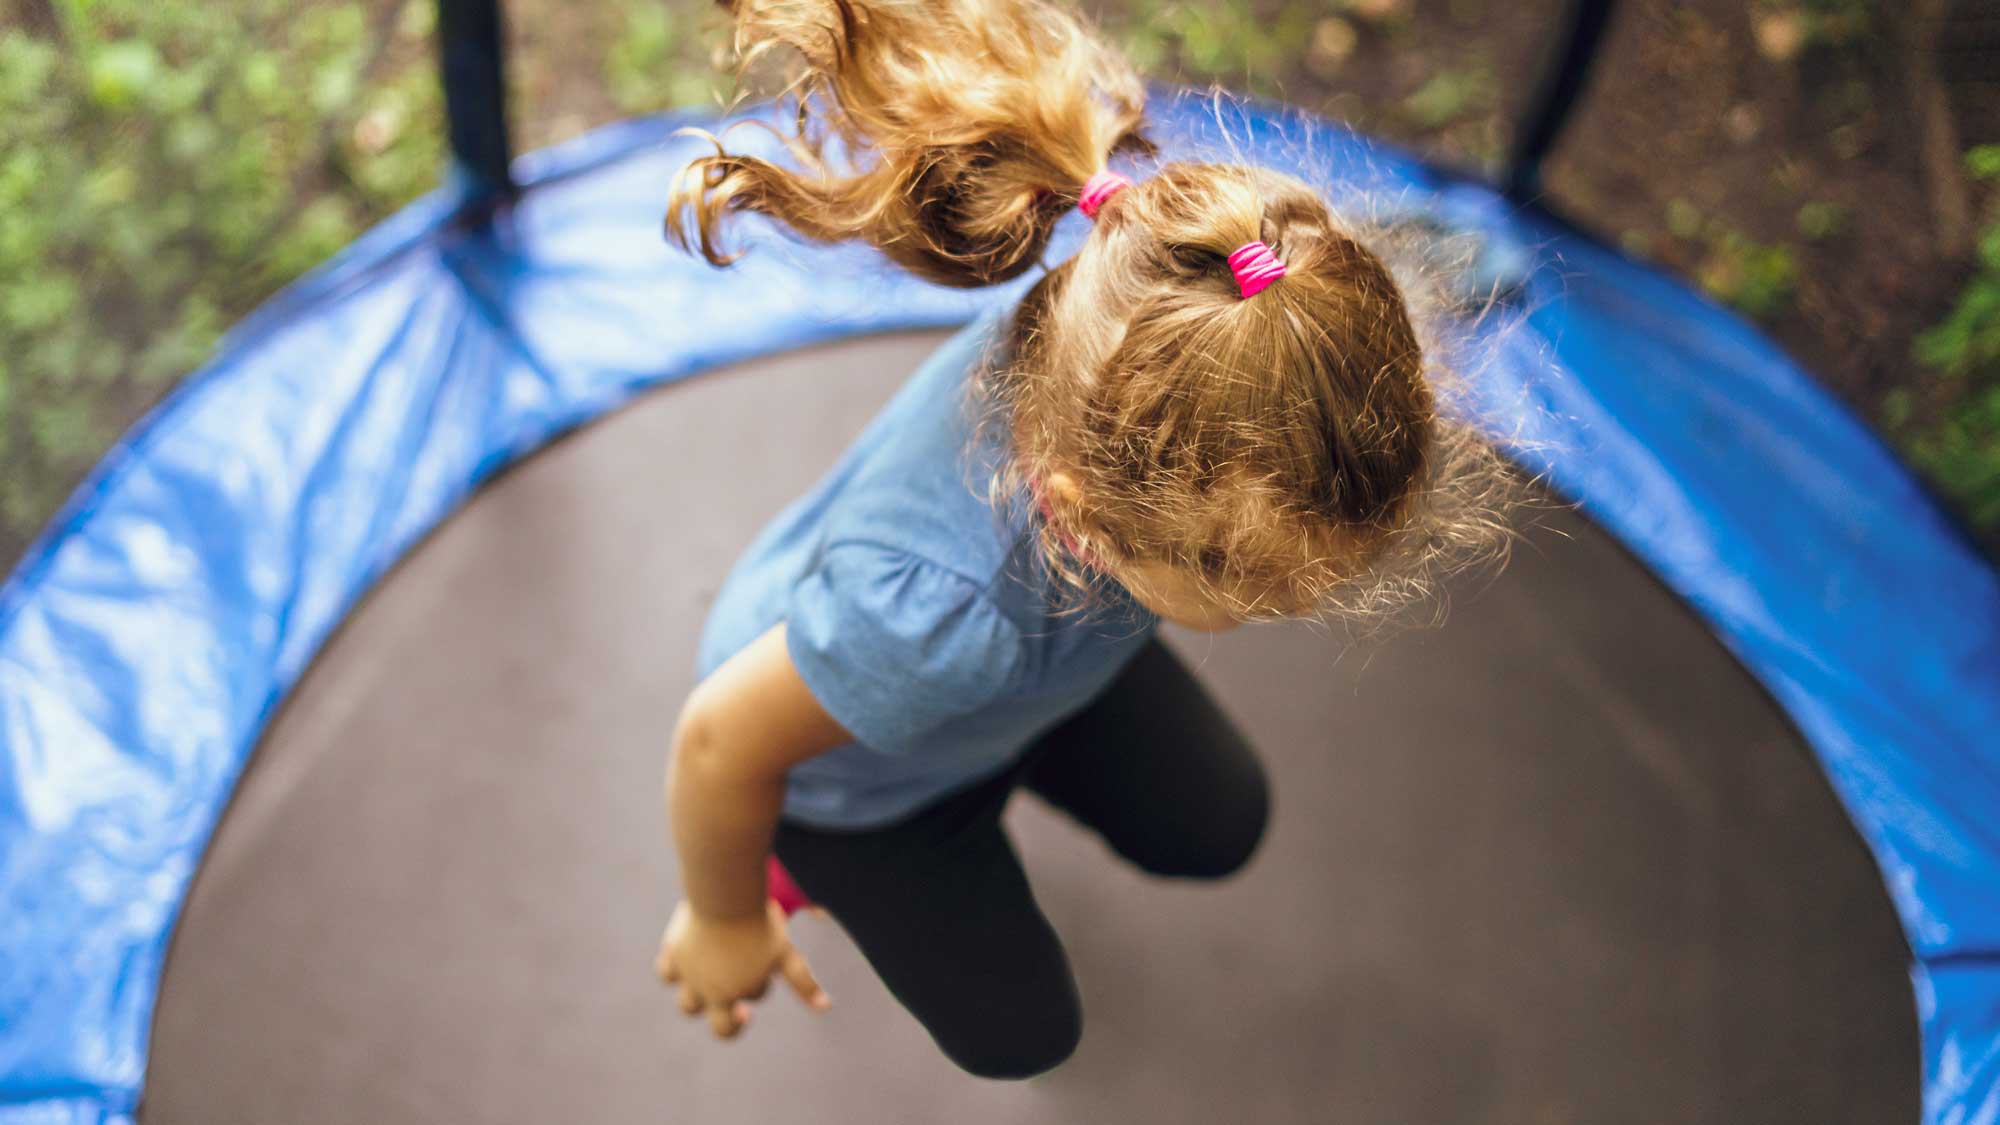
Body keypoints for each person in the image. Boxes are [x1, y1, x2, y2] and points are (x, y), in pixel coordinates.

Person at [653, 0, 1518, 1080]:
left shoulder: (1142, 337)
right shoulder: (930, 619)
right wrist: (722, 916)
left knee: (1217, 824)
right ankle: (807, 864)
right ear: (1090, 518)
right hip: (857, 774)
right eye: (1249, 589)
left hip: (1026, 674)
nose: (1267, 613)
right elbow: (715, 744)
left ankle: (1013, 745)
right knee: (1019, 1036)